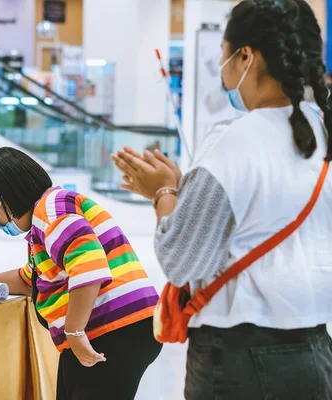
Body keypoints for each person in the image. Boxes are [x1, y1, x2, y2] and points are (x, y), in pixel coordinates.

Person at [112, 1, 332, 398]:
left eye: (224, 55)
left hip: (239, 358)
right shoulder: (324, 132)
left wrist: (164, 193)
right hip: (317, 350)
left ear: (246, 56)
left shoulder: (233, 142)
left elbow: (183, 261)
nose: (223, 69)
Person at [0, 147, 162, 399]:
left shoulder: (51, 210)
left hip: (113, 327)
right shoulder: (45, 223)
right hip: (110, 328)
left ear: (9, 198)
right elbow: (29, 281)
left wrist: (74, 331)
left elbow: (88, 264)